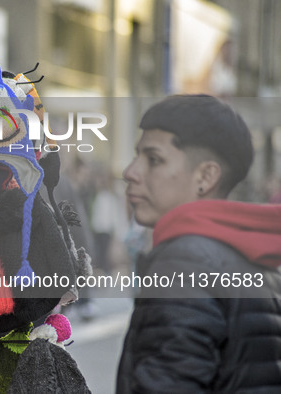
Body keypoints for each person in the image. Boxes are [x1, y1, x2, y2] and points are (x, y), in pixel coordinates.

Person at [116, 94, 281, 393]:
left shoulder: (183, 260)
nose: (130, 172)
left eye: (153, 159)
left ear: (206, 176)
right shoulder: (256, 258)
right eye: (136, 155)